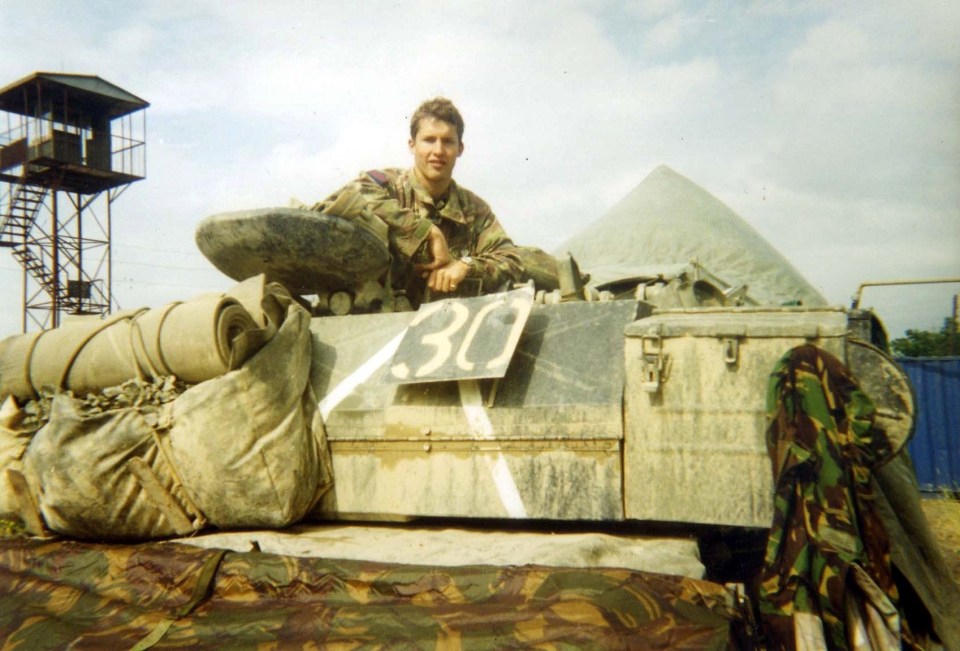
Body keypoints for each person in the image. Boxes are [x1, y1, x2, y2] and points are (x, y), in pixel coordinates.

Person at [311, 97, 526, 306]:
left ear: (460, 149)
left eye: (448, 141)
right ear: (412, 145)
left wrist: (465, 266)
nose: (438, 151)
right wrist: (426, 232)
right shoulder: (387, 187)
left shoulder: (474, 210)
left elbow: (510, 259)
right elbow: (352, 195)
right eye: (429, 140)